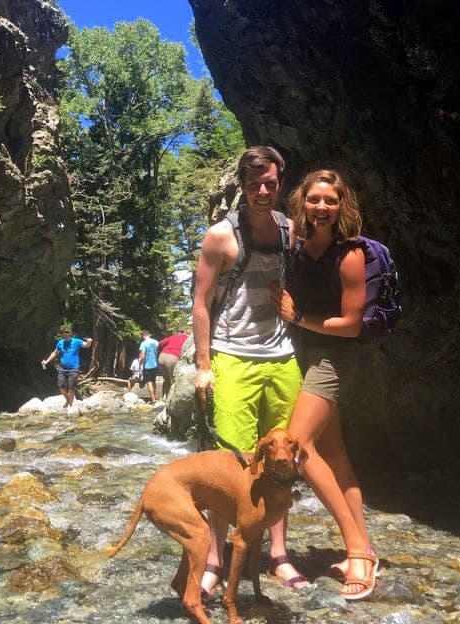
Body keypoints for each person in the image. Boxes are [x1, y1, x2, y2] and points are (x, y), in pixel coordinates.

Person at [193, 145, 306, 594]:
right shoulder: (220, 236)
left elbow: (300, 283)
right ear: (242, 185)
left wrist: (297, 309)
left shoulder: (290, 230)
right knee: (231, 466)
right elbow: (200, 303)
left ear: (280, 184)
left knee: (286, 462)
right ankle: (216, 560)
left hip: (282, 357)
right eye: (255, 183)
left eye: (271, 183)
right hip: (232, 355)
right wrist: (203, 365)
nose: (263, 191)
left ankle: (277, 554)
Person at [270, 168, 379, 601]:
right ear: (303, 202)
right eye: (314, 199)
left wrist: (299, 319)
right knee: (334, 454)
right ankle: (365, 543)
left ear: (341, 205)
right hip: (303, 353)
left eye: (330, 200)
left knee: (298, 445)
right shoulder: (296, 247)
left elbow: (352, 326)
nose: (321, 207)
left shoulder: (348, 253)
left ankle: (357, 552)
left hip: (334, 357)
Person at [41, 326, 93, 408]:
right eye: (64, 332)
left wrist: (89, 342)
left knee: (71, 387)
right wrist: (47, 361)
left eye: (67, 332)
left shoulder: (76, 341)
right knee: (61, 386)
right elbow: (55, 353)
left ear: (70, 333)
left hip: (74, 368)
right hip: (62, 368)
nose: (66, 333)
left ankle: (70, 404)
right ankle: (68, 401)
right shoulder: (60, 343)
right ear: (62, 334)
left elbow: (86, 345)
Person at [157, 331, 189, 398]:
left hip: (161, 356)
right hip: (173, 358)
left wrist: (161, 351)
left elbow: (161, 343)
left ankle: (164, 398)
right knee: (174, 381)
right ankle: (172, 400)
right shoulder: (188, 339)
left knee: (167, 379)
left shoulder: (175, 336)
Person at [139, 330, 160, 405]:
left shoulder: (144, 344)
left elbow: (142, 356)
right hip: (154, 364)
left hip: (147, 365)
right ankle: (155, 396)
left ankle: (153, 399)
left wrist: (139, 364)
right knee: (154, 381)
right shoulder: (156, 342)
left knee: (149, 382)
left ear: (144, 335)